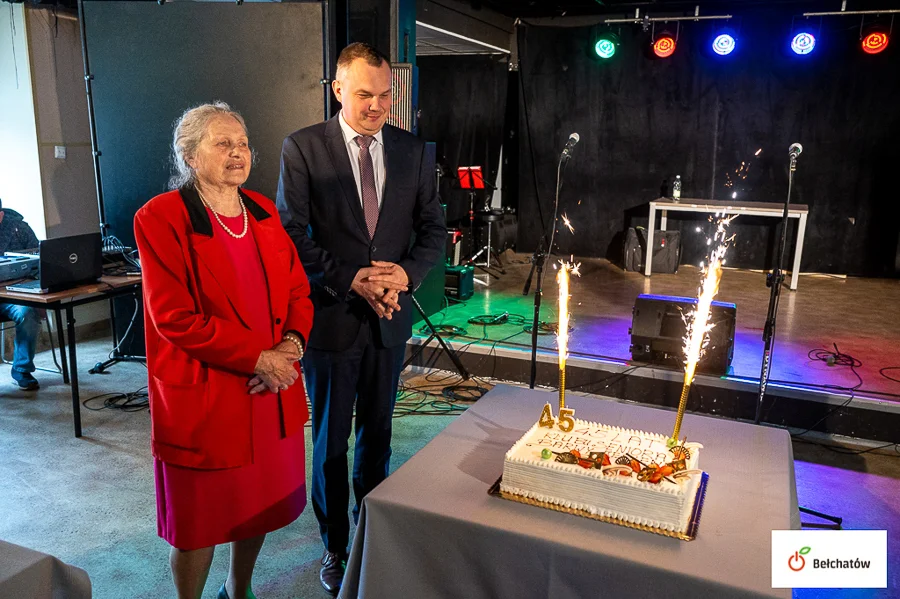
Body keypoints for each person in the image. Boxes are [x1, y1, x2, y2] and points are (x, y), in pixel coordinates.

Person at [276, 42, 445, 596]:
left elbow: (432, 232)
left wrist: (404, 276)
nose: (376, 106)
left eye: (384, 95)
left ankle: (372, 533)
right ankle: (335, 544)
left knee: (378, 437)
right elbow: (292, 234)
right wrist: (352, 277)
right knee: (329, 442)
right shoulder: (303, 148)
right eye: (364, 95)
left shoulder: (414, 150)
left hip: (389, 320)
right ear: (338, 89)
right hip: (332, 318)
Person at [134, 102, 314, 599]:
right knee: (200, 521)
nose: (238, 153)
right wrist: (260, 359)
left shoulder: (263, 210)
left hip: (267, 388)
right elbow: (174, 317)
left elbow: (299, 291)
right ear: (190, 155)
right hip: (208, 393)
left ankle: (239, 587)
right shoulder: (160, 217)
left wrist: (291, 346)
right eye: (223, 143)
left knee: (256, 503)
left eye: (242, 144)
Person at [0, 198, 43, 390]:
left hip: (15, 294)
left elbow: (42, 258)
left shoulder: (19, 228)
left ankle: (22, 369)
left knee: (27, 313)